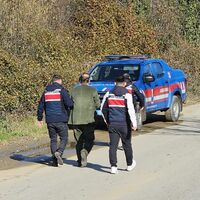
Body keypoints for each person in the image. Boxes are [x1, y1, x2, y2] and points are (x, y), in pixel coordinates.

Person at [101, 76, 137, 174]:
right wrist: (134, 123)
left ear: (115, 83)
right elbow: (131, 110)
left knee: (113, 146)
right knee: (127, 145)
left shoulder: (108, 94)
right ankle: (129, 165)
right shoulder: (127, 95)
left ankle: (113, 167)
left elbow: (103, 109)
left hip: (112, 123)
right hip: (124, 124)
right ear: (124, 83)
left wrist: (107, 121)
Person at [37, 74, 73, 167]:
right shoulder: (62, 90)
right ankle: (59, 152)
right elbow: (69, 104)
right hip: (61, 119)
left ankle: (54, 161)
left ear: (52, 81)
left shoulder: (46, 91)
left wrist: (39, 118)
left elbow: (41, 106)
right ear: (60, 81)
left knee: (53, 140)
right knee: (64, 138)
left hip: (50, 120)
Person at [68, 72, 100, 167]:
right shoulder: (93, 90)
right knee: (90, 139)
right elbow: (98, 105)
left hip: (75, 120)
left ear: (79, 81)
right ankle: (85, 152)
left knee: (79, 141)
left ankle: (79, 161)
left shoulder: (73, 90)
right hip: (89, 119)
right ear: (88, 81)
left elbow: (69, 104)